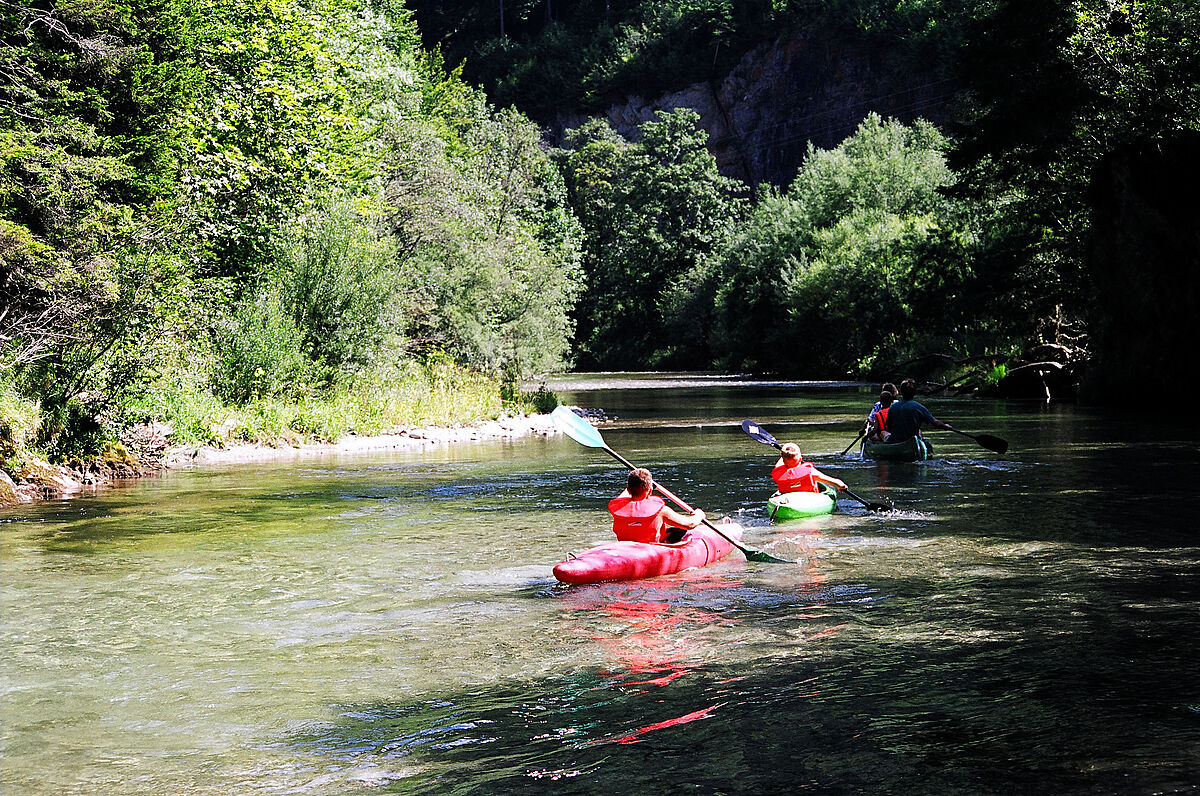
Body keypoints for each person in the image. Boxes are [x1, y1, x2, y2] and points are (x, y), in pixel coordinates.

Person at [608, 467, 706, 544]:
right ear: (650, 491)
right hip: (652, 550)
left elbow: (626, 493)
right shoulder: (662, 511)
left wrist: (635, 482)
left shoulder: (618, 507)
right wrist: (699, 515)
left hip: (626, 550)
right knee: (680, 531)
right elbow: (690, 524)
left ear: (629, 490)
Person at [885, 378, 955, 443]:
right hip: (912, 440)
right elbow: (936, 423)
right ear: (914, 392)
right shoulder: (919, 407)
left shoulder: (893, 407)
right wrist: (945, 426)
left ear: (901, 392)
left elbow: (888, 425)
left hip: (896, 441)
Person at [771, 442, 847, 494]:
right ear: (800, 459)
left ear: (783, 459)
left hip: (787, 499)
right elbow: (836, 482)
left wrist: (785, 454)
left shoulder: (779, 472)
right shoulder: (811, 473)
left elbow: (782, 461)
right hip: (809, 500)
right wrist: (842, 486)